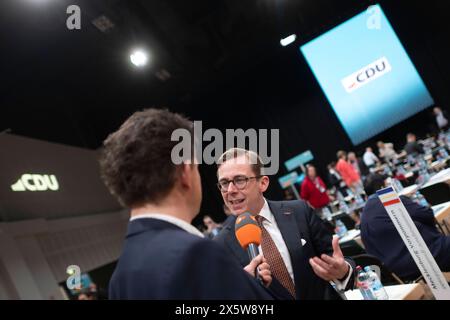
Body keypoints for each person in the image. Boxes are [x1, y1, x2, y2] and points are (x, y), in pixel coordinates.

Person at [99, 109, 272, 299]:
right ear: (185, 172)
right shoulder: (197, 254)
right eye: (196, 166)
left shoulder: (119, 279)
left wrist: (235, 283)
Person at [214, 148, 355, 300]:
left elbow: (336, 259)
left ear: (263, 183)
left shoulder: (299, 211)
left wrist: (343, 272)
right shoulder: (220, 245)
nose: (230, 190)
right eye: (224, 183)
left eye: (239, 180)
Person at [361, 174, 450, 281]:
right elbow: (427, 214)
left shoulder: (364, 215)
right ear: (382, 187)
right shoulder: (388, 198)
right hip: (422, 258)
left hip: (396, 271)